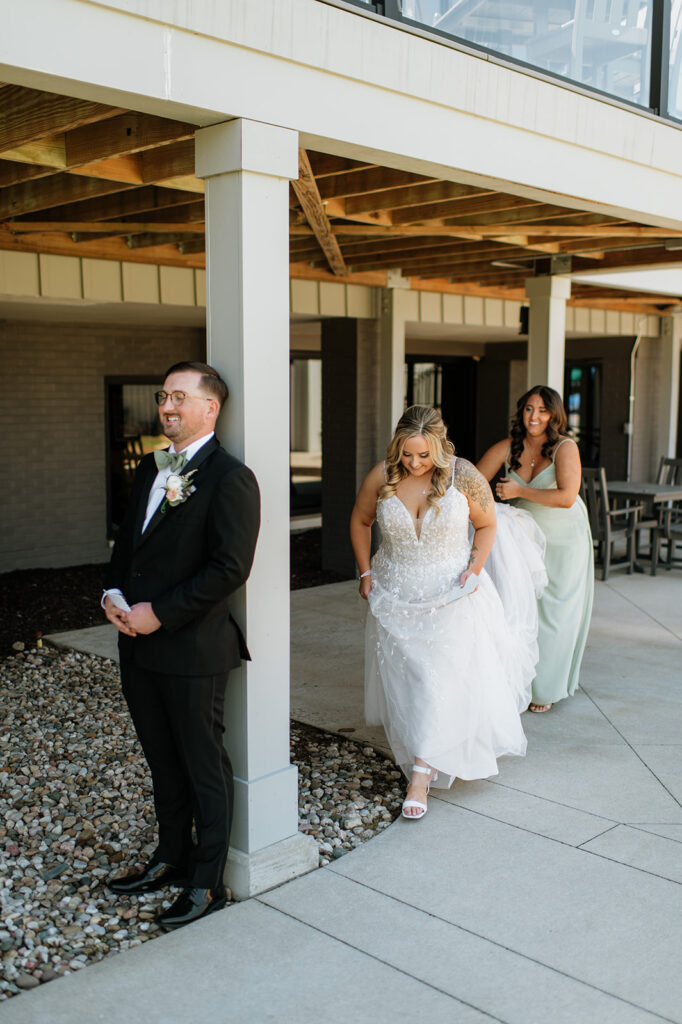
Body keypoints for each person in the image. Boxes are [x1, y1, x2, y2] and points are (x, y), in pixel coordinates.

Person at [101, 360, 260, 930]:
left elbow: (229, 569)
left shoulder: (231, 477)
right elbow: (129, 547)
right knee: (162, 761)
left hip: (193, 650)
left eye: (178, 397)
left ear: (210, 408)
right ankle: (169, 858)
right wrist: (113, 596)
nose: (166, 406)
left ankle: (205, 882)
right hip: (136, 646)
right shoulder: (150, 467)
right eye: (163, 396)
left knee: (203, 766)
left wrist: (159, 616)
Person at [350, 406, 541, 820]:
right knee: (411, 684)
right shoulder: (382, 475)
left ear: (440, 447)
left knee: (441, 683)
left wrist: (474, 568)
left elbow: (488, 525)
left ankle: (420, 774)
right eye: (407, 454)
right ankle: (425, 749)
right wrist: (365, 570)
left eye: (423, 455)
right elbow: (361, 520)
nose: (415, 464)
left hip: (451, 595)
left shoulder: (464, 475)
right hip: (395, 594)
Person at [477, 384, 594, 713]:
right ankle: (521, 681)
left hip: (565, 538)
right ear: (521, 412)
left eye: (543, 410)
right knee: (523, 608)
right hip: (524, 539)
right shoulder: (508, 447)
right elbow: (471, 480)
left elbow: (566, 497)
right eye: (529, 408)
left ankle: (546, 688)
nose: (535, 416)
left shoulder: (565, 448)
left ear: (554, 415)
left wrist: (518, 490)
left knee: (555, 613)